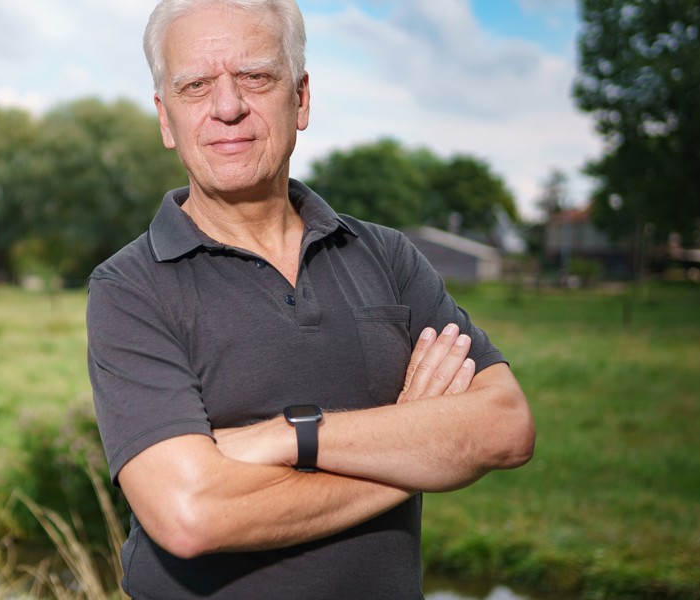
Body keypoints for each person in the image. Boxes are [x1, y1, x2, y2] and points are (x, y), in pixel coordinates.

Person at [85, 0, 536, 597]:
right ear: (166, 119)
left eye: (255, 77)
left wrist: (285, 438)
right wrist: (416, 451)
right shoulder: (129, 287)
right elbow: (190, 514)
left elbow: (506, 427)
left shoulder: (387, 256)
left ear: (300, 99)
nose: (227, 108)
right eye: (195, 86)